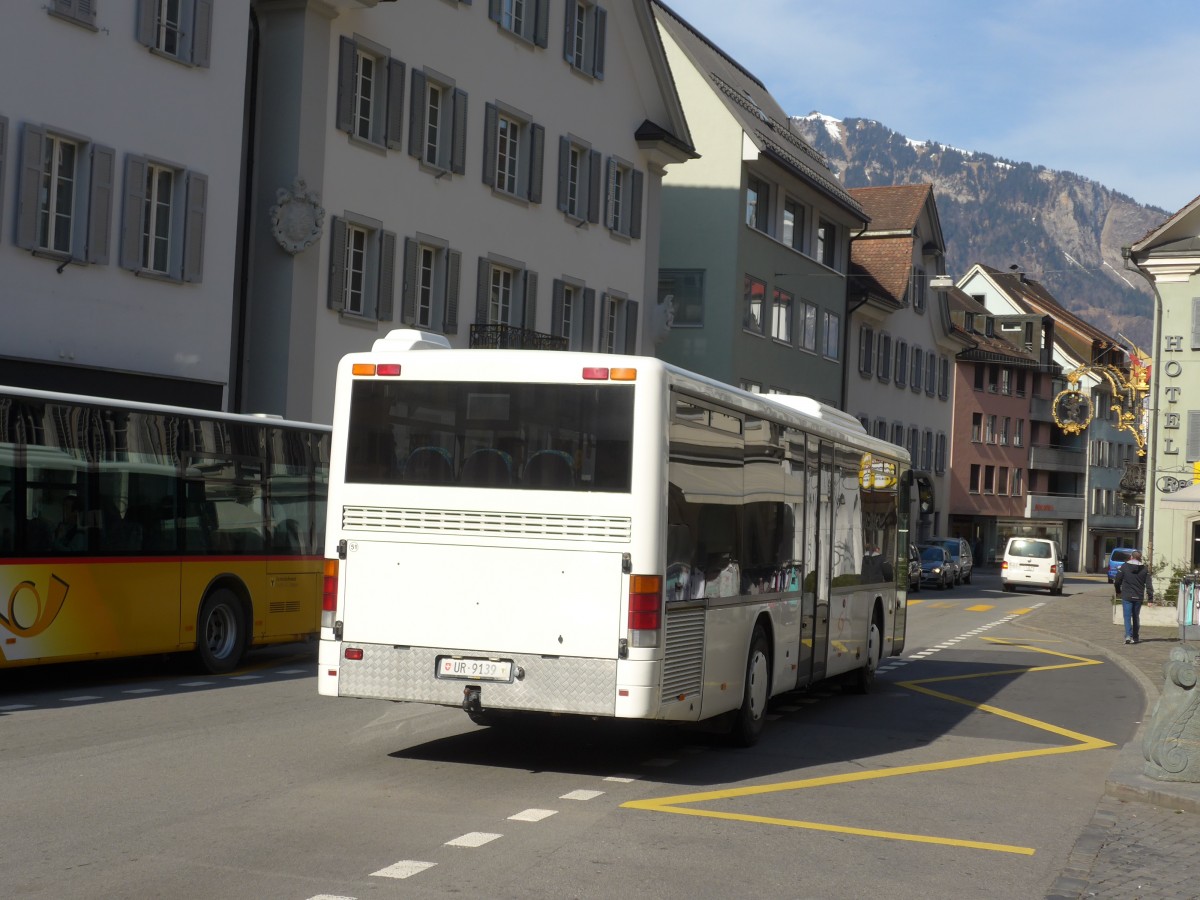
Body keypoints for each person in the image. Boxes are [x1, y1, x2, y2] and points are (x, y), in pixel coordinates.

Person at [1114, 550, 1154, 645]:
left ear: (1131, 557)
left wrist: (1118, 591)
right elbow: (1149, 585)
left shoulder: (1124, 566)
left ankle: (1128, 636)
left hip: (1127, 595)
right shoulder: (1144, 569)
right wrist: (1150, 599)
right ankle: (1135, 637)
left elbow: (1117, 580)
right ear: (1140, 558)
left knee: (1127, 617)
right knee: (1136, 616)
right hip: (1138, 596)